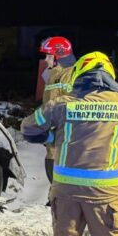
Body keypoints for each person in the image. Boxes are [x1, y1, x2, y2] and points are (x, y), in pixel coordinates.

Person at [20, 52, 118, 236]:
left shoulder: (61, 104)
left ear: (79, 76)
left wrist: (52, 137)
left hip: (66, 189)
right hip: (107, 191)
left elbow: (28, 128)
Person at [39, 36, 77, 185]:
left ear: (58, 56)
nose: (46, 60)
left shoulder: (70, 74)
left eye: (48, 56)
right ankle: (56, 194)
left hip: (66, 132)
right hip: (54, 131)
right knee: (52, 157)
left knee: (60, 160)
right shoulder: (53, 75)